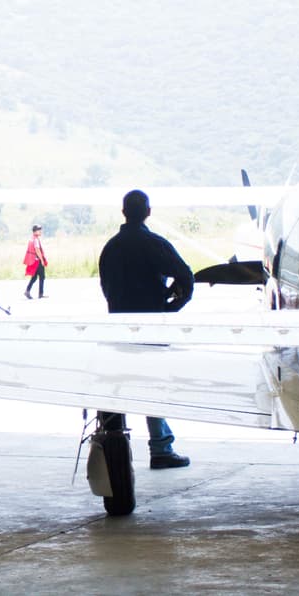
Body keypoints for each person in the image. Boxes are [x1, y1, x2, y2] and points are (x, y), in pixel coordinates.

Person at [97, 189, 194, 469]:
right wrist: (171, 306)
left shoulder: (111, 248)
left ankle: (114, 445)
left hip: (119, 324)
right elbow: (186, 277)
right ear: (148, 212)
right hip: (152, 325)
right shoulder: (154, 243)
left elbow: (106, 287)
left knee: (119, 383)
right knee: (153, 382)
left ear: (123, 212)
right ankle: (161, 447)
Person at [23, 224, 48, 299]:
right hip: (37, 261)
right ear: (35, 231)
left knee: (34, 277)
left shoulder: (32, 239)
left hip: (33, 261)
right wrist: (42, 260)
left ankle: (27, 291)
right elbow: (37, 250)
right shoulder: (36, 239)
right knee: (42, 277)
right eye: (39, 230)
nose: (40, 232)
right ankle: (40, 294)